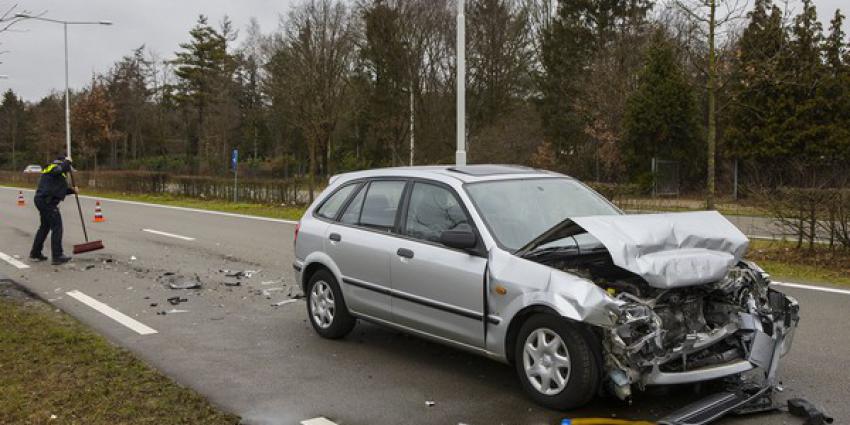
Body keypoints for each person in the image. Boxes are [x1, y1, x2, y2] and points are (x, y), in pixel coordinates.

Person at [29, 156, 78, 265]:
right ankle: (57, 256)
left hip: (44, 201)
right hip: (47, 202)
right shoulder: (54, 167)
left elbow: (58, 190)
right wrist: (67, 161)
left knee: (45, 227)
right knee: (57, 227)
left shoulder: (57, 174)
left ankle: (35, 253)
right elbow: (60, 169)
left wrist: (72, 190)